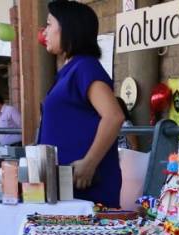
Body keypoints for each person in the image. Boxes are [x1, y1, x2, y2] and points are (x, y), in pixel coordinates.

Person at [38, 1, 123, 207]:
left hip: (85, 182)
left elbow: (113, 116)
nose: (44, 32)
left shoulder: (85, 67)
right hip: (65, 183)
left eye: (49, 24)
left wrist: (89, 163)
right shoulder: (69, 70)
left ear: (68, 28)